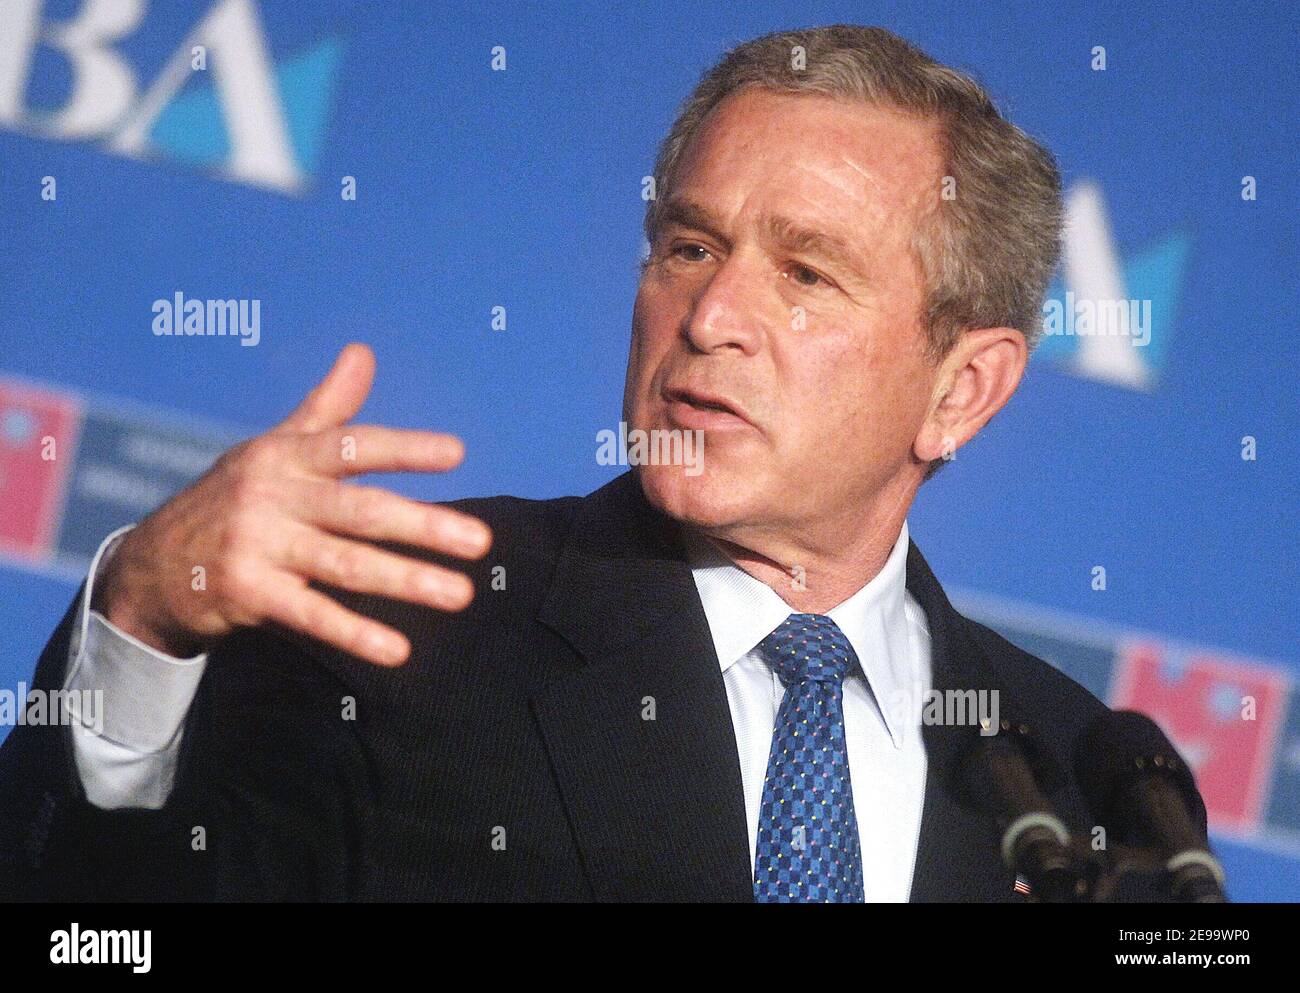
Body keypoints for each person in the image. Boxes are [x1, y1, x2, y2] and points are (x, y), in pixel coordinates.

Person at [0, 24, 1204, 902]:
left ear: (962, 389)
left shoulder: (1082, 785)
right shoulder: (391, 628)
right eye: (688, 244)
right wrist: (143, 615)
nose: (713, 312)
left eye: (805, 272)